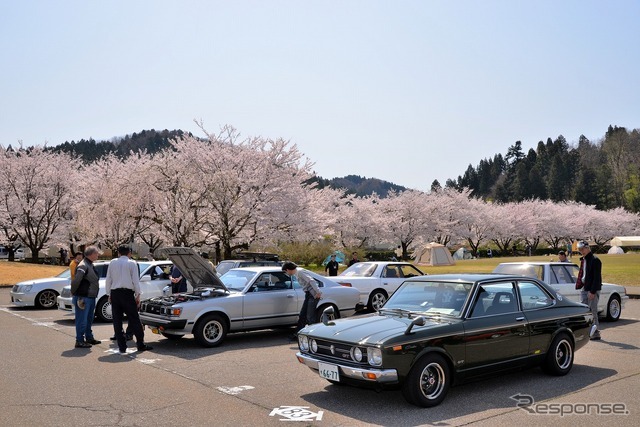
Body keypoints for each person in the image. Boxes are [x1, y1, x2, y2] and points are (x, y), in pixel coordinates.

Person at [105, 246, 153, 353]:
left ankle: (122, 346)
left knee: (117, 320)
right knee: (134, 319)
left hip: (115, 293)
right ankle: (140, 344)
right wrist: (138, 295)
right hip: (127, 293)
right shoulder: (132, 263)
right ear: (129, 253)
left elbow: (108, 279)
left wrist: (109, 293)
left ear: (118, 253)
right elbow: (135, 280)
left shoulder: (112, 262)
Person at [70, 246, 102, 348]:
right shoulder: (83, 265)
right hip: (83, 297)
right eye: (96, 253)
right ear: (91, 254)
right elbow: (76, 280)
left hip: (90, 296)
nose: (98, 255)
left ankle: (89, 337)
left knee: (89, 319)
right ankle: (79, 340)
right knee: (82, 320)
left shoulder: (90, 264)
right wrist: (73, 292)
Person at [282, 261, 321, 336]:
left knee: (310, 317)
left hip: (313, 295)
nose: (286, 273)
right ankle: (299, 334)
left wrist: (318, 292)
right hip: (308, 294)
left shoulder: (300, 272)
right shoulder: (296, 274)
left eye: (285, 271)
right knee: (302, 315)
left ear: (288, 269)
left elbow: (311, 280)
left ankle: (315, 335)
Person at [575, 241, 602, 340]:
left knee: (592, 311)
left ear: (588, 248)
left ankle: (596, 333)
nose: (581, 251)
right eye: (579, 250)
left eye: (582, 249)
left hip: (592, 289)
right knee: (585, 311)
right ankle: (588, 332)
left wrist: (593, 291)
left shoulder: (595, 260)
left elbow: (597, 278)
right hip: (584, 287)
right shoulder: (584, 260)